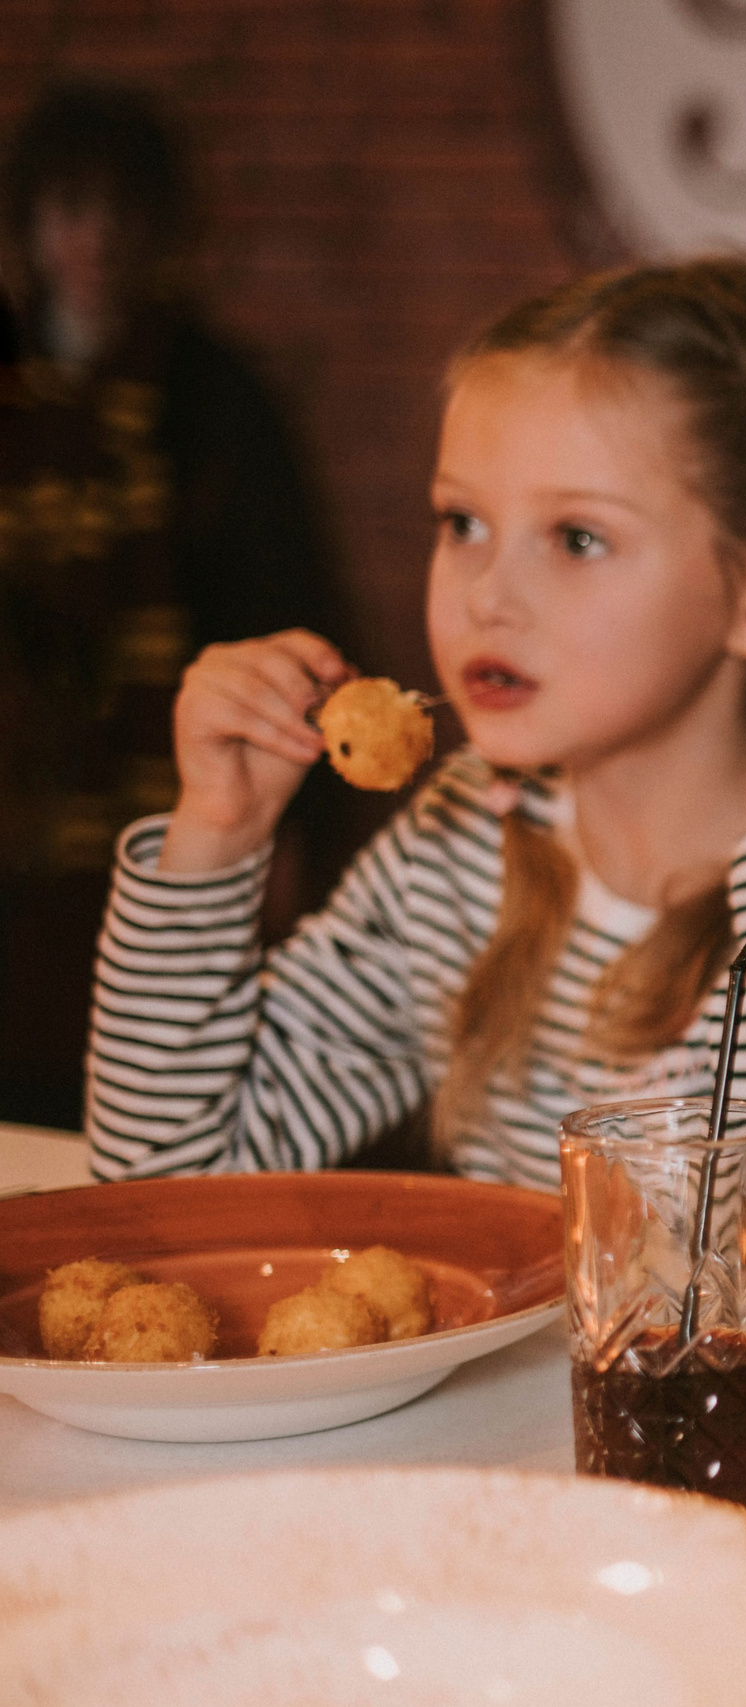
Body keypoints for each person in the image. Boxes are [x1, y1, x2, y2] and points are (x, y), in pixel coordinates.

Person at [84, 257, 746, 1333]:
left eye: (577, 538)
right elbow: (172, 1189)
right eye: (461, 522)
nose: (485, 595)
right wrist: (214, 840)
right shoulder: (462, 844)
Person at [0, 81, 342, 1129]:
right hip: (20, 786)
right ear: (30, 224)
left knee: (130, 1066)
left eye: (120, 211)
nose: (94, 238)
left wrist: (293, 825)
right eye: (70, 209)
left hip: (172, 778)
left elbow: (283, 597)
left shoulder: (213, 392)